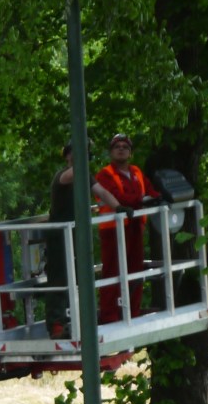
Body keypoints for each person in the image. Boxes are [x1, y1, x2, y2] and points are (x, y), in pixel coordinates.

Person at [45, 141, 123, 338]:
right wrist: (82, 156)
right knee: (59, 279)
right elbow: (74, 173)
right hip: (59, 236)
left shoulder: (84, 176)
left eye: (83, 154)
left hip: (76, 235)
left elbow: (102, 193)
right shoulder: (63, 176)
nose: (80, 157)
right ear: (67, 157)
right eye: (75, 153)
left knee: (81, 277)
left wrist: (119, 208)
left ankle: (78, 318)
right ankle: (56, 325)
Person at [95, 133, 162, 323]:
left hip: (135, 226)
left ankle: (132, 311)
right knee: (112, 271)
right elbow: (118, 197)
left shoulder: (137, 172)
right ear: (111, 152)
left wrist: (158, 197)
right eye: (117, 146)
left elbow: (149, 190)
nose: (122, 149)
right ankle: (109, 314)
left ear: (130, 152)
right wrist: (143, 200)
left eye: (125, 146)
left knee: (136, 270)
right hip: (113, 229)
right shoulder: (104, 174)